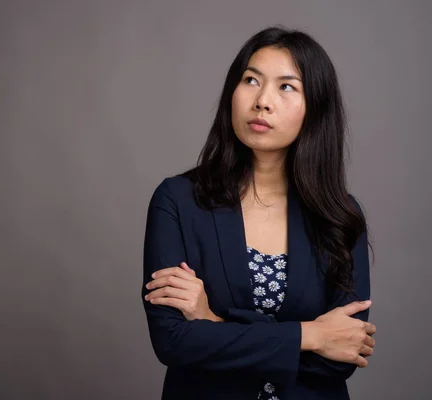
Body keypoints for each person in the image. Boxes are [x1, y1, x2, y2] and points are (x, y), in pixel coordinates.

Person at [141, 26, 376, 400]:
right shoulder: (179, 200)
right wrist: (310, 335)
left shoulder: (340, 215)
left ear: (315, 108)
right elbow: (173, 340)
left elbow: (342, 357)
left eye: (286, 87)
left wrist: (212, 323)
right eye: (251, 80)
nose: (263, 100)